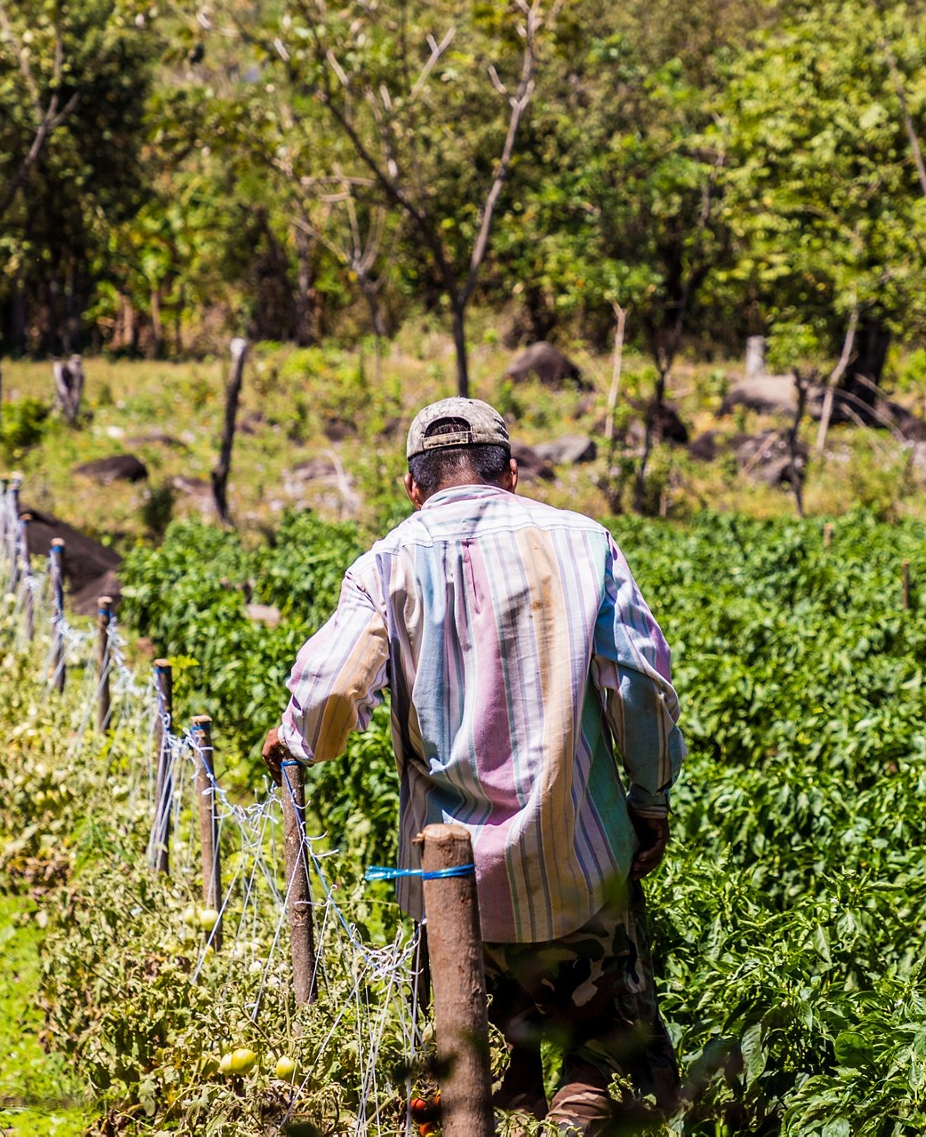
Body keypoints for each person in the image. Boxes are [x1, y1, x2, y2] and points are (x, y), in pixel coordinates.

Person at [262, 396, 686, 1131]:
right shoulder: (586, 543)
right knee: (603, 1050)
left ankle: (521, 1106)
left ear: (414, 487)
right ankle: (581, 1106)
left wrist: (298, 737)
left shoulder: (385, 562)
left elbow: (332, 691)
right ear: (512, 474)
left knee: (482, 1079)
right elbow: (641, 684)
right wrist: (649, 796)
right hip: (580, 864)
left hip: (456, 886)